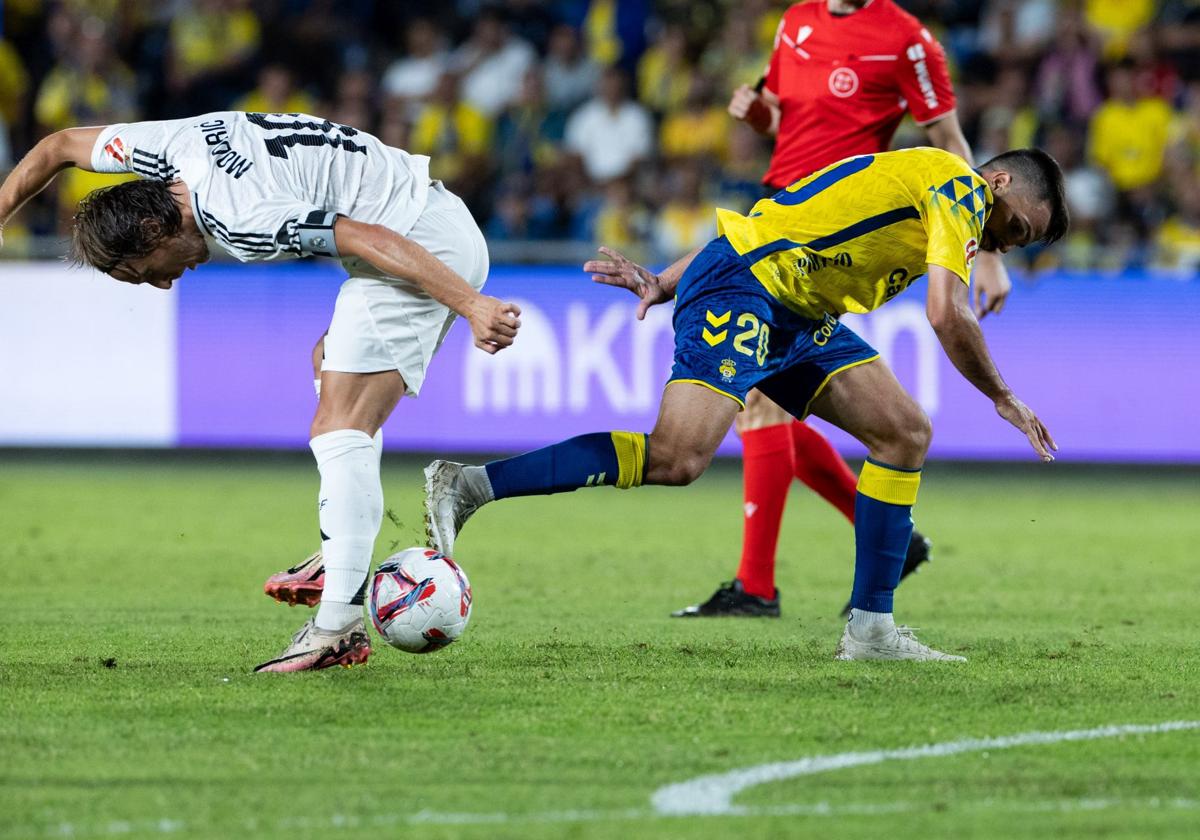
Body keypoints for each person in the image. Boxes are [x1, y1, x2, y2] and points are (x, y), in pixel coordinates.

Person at [423, 145, 1068, 661]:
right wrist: (1003, 397)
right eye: (1020, 226)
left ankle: (871, 630)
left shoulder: (928, 188)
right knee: (677, 458)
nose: (1012, 241)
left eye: (1025, 242)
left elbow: (773, 216)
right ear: (1002, 182)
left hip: (792, 306)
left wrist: (663, 279)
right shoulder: (960, 186)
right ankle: (470, 484)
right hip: (748, 286)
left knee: (904, 432)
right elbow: (946, 312)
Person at [0, 111, 521, 672]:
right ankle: (341, 550)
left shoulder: (238, 217)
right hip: (425, 215)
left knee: (340, 425)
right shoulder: (166, 148)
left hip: (416, 240)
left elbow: (365, 236)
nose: (164, 282)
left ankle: (337, 625)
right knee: (327, 365)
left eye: (143, 271)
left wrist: (472, 304)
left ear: (153, 231)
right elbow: (57, 147)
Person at [678, 0, 1016, 619]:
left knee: (754, 400)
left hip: (842, 237)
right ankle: (887, 539)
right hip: (784, 211)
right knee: (769, 400)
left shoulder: (908, 39)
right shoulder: (796, 22)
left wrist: (986, 249)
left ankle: (756, 587)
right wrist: (758, 115)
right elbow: (783, 120)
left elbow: (949, 140)